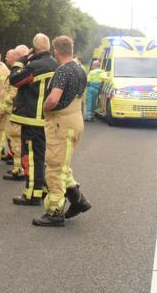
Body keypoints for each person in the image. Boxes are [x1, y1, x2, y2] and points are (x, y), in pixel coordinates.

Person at [33, 35, 91, 227]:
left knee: (54, 168)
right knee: (63, 164)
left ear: (57, 51)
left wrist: (45, 108)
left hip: (61, 124)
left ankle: (54, 212)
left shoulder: (63, 71)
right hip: (76, 121)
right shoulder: (80, 69)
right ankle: (78, 200)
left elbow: (53, 99)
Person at [9, 34, 59, 205]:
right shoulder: (55, 64)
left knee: (30, 157)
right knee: (39, 156)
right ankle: (42, 189)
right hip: (46, 120)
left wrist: (22, 59)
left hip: (32, 119)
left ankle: (31, 195)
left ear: (34, 49)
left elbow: (14, 79)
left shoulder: (35, 66)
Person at [2, 46, 29, 181]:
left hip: (15, 111)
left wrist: (5, 101)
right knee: (16, 140)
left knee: (17, 141)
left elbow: (14, 92)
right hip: (15, 111)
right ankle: (18, 167)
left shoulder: (20, 70)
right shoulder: (22, 69)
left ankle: (19, 170)